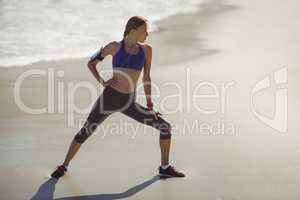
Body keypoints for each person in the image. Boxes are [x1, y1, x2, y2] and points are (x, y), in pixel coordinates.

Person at [51, 16, 185, 179]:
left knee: (164, 126)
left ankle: (164, 167)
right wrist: (101, 81)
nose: (147, 34)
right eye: (144, 30)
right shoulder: (114, 47)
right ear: (133, 30)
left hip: (129, 102)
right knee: (86, 131)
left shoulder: (146, 50)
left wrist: (150, 103)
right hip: (109, 99)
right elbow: (91, 63)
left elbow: (146, 77)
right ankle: (64, 165)